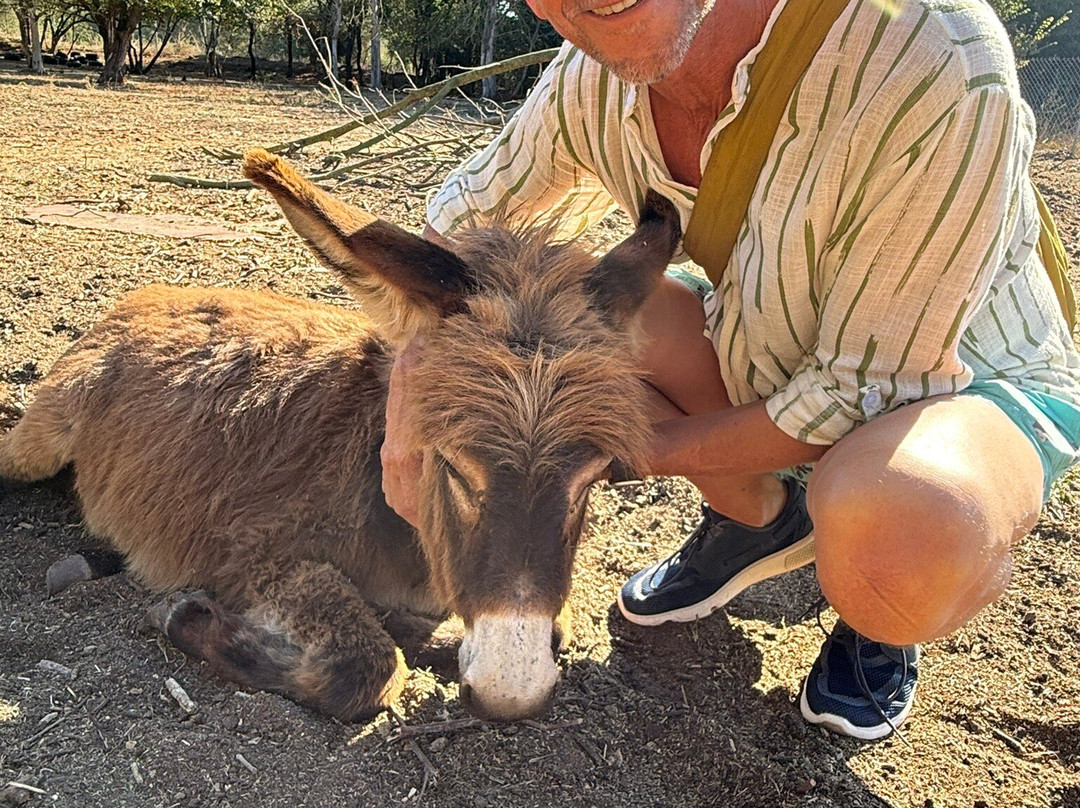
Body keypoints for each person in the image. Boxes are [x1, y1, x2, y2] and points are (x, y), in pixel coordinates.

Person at [381, 0, 1080, 739]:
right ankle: (757, 519)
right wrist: (410, 423)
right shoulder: (593, 74)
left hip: (954, 385)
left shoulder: (931, 56)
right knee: (567, 326)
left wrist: (606, 458)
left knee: (900, 520)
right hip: (771, 345)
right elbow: (452, 236)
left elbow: (857, 392)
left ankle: (878, 619)